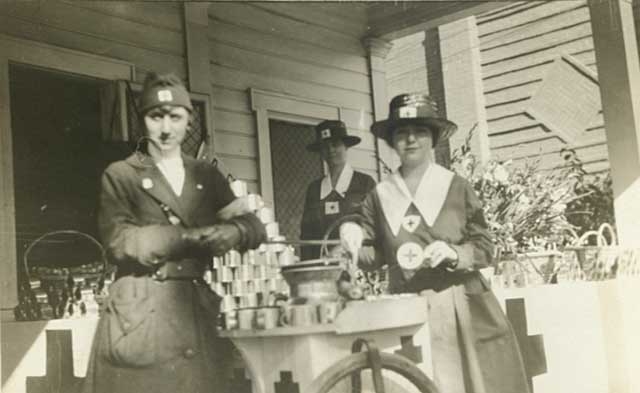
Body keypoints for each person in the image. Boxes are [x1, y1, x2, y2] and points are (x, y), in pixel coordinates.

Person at [81, 73, 265, 393]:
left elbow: (255, 226)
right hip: (141, 313)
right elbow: (121, 241)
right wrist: (193, 237)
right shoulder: (122, 175)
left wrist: (234, 232)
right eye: (156, 117)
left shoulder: (205, 174)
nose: (166, 129)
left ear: (189, 121)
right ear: (142, 121)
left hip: (194, 310)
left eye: (175, 117)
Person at [340, 94, 530, 393]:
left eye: (421, 131)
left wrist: (455, 253)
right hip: (405, 309)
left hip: (460, 303)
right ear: (391, 141)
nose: (411, 139)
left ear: (433, 139)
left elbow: (484, 246)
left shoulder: (455, 187)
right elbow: (375, 254)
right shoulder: (380, 195)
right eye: (401, 133)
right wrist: (350, 240)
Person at [300, 120, 376, 260]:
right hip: (323, 268)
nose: (330, 150)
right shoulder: (314, 189)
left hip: (358, 266)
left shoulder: (365, 183)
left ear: (346, 146)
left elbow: (375, 228)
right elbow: (306, 237)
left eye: (335, 144)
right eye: (325, 147)